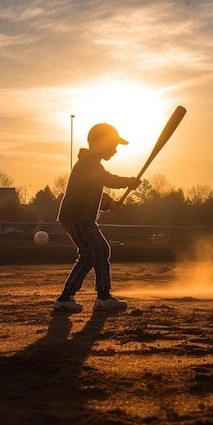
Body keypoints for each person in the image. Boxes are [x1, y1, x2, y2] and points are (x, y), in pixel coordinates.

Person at [53, 123, 141, 312]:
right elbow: (104, 179)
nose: (115, 150)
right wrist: (128, 182)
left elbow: (93, 189)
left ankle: (101, 296)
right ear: (100, 143)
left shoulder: (91, 164)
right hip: (76, 217)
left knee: (99, 250)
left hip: (84, 219)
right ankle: (68, 297)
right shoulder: (89, 162)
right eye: (113, 145)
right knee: (92, 252)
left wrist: (109, 204)